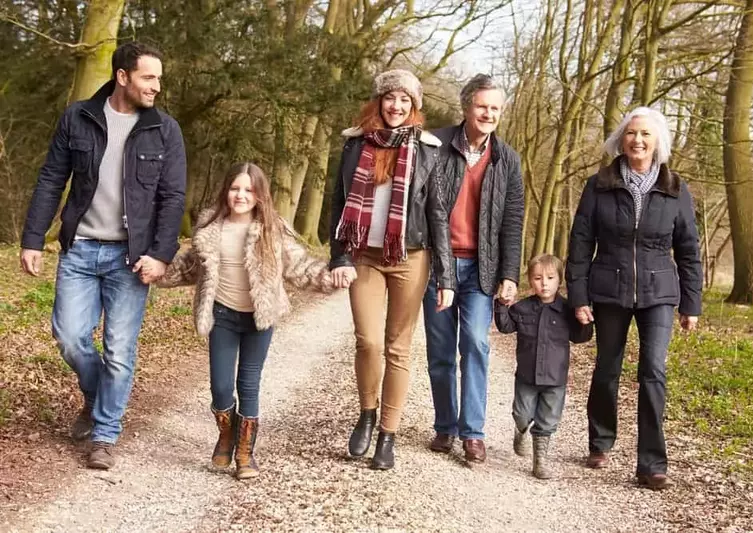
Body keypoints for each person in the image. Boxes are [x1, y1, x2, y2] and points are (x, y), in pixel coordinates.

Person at [19, 42, 186, 470]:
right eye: (149, 77)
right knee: (70, 337)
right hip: (79, 249)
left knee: (119, 351)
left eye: (159, 79)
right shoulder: (79, 116)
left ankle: (105, 435)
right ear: (123, 76)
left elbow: (172, 198)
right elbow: (52, 177)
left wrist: (162, 254)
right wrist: (33, 238)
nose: (157, 87)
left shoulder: (165, 130)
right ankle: (96, 397)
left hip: (130, 258)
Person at [158, 162, 334, 480]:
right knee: (221, 387)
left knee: (248, 384)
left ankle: (244, 453)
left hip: (258, 319)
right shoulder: (210, 227)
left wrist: (331, 277)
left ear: (259, 195)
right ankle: (226, 434)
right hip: (222, 315)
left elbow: (299, 267)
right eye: (235, 188)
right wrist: (156, 271)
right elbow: (187, 267)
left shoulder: (272, 229)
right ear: (226, 191)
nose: (240, 195)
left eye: (248, 190)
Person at [566, 106, 702, 490]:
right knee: (607, 369)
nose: (637, 141)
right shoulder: (599, 184)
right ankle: (600, 440)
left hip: (660, 292)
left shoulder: (676, 189)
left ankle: (651, 463)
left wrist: (691, 303)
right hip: (609, 286)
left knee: (653, 372)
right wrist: (579, 295)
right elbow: (580, 243)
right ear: (620, 140)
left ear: (658, 142)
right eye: (630, 133)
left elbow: (689, 250)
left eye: (645, 135)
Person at [329, 69, 454, 471]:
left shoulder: (430, 150)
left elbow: (437, 214)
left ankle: (388, 433)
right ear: (378, 102)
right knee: (367, 340)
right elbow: (338, 202)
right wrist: (339, 256)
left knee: (398, 348)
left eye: (404, 100)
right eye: (389, 98)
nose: (396, 106)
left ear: (414, 106)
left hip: (410, 257)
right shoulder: (355, 145)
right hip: (363, 255)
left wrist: (446, 276)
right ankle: (367, 413)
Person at [423, 73, 524, 464]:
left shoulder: (507, 160)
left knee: (477, 344)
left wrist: (510, 274)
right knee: (441, 349)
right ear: (466, 107)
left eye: (495, 108)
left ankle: (473, 432)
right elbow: (422, 205)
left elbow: (513, 220)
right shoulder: (435, 145)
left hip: (482, 270)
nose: (489, 113)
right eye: (482, 106)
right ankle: (445, 426)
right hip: (438, 265)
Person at [494, 254, 592, 479]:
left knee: (548, 420)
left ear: (560, 280)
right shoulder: (522, 308)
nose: (544, 283)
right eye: (538, 278)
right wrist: (502, 305)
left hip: (554, 378)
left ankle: (540, 461)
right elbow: (506, 327)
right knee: (521, 414)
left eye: (550, 278)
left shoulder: (568, 310)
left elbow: (580, 337)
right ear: (530, 280)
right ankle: (520, 431)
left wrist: (585, 320)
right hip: (527, 376)